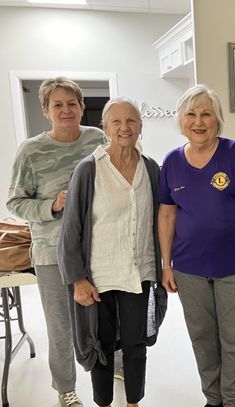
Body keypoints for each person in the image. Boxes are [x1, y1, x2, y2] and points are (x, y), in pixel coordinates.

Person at [158, 84, 235, 407]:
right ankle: (213, 399)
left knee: (234, 340)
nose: (199, 121)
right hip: (189, 269)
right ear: (181, 120)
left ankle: (232, 400)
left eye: (206, 113)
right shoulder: (171, 162)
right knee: (202, 340)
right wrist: (167, 264)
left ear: (217, 119)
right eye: (191, 114)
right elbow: (166, 215)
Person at [57, 98, 167, 407]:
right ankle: (103, 403)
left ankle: (133, 402)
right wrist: (77, 279)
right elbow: (71, 229)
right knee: (101, 344)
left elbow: (162, 218)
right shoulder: (89, 169)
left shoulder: (151, 168)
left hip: (139, 271)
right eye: (116, 122)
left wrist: (166, 266)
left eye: (131, 121)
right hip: (99, 274)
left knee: (136, 344)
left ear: (141, 127)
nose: (124, 127)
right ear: (105, 128)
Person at [6, 77, 108, 407]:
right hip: (52, 253)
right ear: (45, 111)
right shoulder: (31, 151)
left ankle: (112, 365)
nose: (66, 110)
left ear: (81, 108)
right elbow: (15, 202)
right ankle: (65, 388)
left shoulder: (98, 139)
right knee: (61, 325)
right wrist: (52, 205)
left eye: (72, 104)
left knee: (106, 316)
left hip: (98, 249)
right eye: (58, 105)